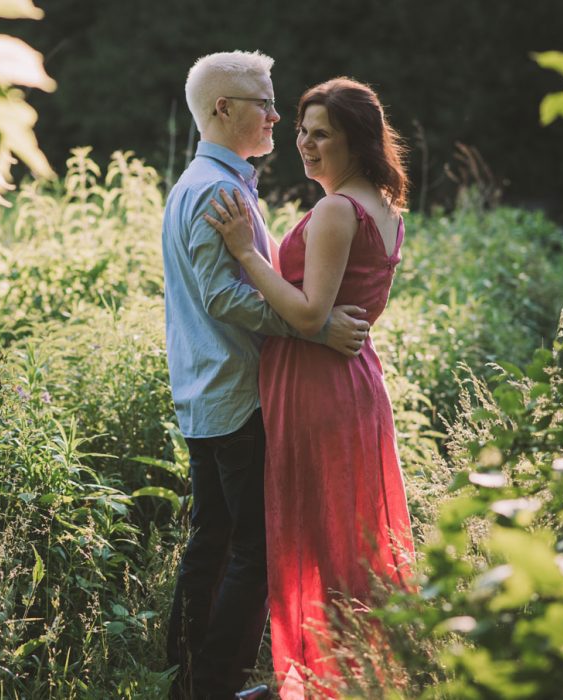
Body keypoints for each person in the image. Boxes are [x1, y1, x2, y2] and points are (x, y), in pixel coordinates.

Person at [162, 53, 371, 700]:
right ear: (223, 109)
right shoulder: (218, 189)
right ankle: (213, 686)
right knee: (253, 555)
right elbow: (223, 297)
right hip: (233, 395)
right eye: (263, 102)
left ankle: (184, 675)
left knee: (215, 544)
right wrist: (314, 325)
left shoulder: (207, 181)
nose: (277, 115)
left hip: (206, 392)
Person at [204, 77, 415, 699]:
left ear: (358, 140)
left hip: (317, 388)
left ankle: (324, 680)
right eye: (302, 130)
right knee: (346, 532)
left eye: (322, 133)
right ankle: (352, 674)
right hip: (352, 385)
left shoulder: (336, 210)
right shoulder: (384, 208)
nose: (304, 143)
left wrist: (246, 251)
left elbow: (306, 313)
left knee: (317, 533)